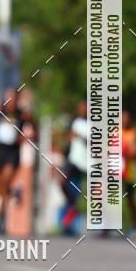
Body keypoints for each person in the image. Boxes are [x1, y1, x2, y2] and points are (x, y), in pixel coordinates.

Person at [0, 88, 25, 233]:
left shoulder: (22, 115)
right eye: (8, 98)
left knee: (4, 180)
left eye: (13, 98)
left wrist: (25, 137)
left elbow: (32, 129)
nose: (11, 101)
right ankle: (13, 193)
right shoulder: (0, 112)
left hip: (12, 152)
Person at [60, 99, 88, 234]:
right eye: (81, 108)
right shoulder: (75, 122)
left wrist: (82, 137)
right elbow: (68, 138)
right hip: (74, 160)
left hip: (89, 162)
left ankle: (105, 224)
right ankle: (72, 205)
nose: (83, 110)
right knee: (61, 180)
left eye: (85, 108)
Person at [121, 110, 136, 232]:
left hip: (129, 173)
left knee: (130, 200)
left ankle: (135, 225)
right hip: (114, 171)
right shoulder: (115, 133)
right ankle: (106, 226)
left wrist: (123, 152)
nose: (125, 120)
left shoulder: (132, 134)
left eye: (127, 118)